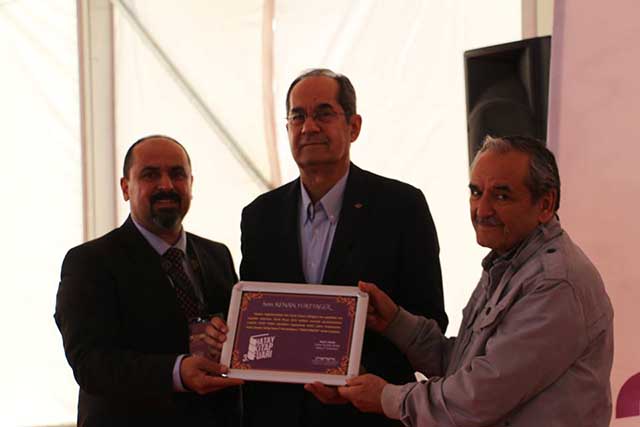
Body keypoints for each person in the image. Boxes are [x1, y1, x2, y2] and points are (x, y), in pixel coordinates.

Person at [335, 135, 614, 427]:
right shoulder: (509, 261)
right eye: (476, 192)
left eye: (501, 196)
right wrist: (395, 322)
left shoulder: (555, 283)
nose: (482, 210)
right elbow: (462, 365)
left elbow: (477, 397)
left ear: (545, 204)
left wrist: (386, 397)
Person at [238, 68, 448, 427]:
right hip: (279, 414)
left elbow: (430, 320)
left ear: (353, 126)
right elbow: (255, 317)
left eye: (323, 113)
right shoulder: (259, 215)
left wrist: (358, 377)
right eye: (297, 116)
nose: (309, 127)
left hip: (367, 414)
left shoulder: (401, 207)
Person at [54, 135, 243, 427]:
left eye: (177, 174)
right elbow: (90, 363)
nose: (166, 185)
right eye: (150, 175)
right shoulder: (90, 262)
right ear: (125, 187)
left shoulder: (217, 255)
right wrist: (177, 372)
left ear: (191, 184)